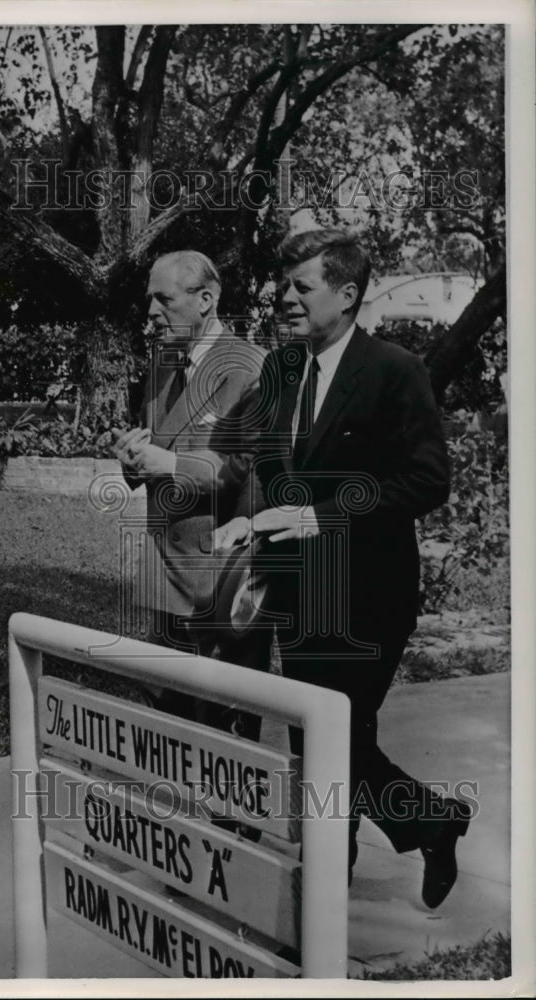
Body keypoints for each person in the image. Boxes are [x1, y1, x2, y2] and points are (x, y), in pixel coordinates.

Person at [214, 228, 471, 907]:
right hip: (299, 593)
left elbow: (426, 482)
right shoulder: (282, 371)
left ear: (347, 293)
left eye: (302, 286)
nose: (285, 297)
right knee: (323, 738)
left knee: (335, 737)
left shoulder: (394, 370)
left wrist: (318, 519)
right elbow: (265, 467)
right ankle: (381, 849)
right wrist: (250, 514)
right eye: (283, 285)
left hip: (368, 595)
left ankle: (409, 832)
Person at [111, 250, 267, 736]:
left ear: (206, 299)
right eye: (149, 301)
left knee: (226, 731)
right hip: (164, 573)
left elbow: (248, 468)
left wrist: (170, 463)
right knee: (169, 722)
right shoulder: (163, 362)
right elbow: (154, 448)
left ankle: (230, 816)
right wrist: (132, 459)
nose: (152, 313)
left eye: (164, 299)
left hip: (219, 577)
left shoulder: (249, 366)